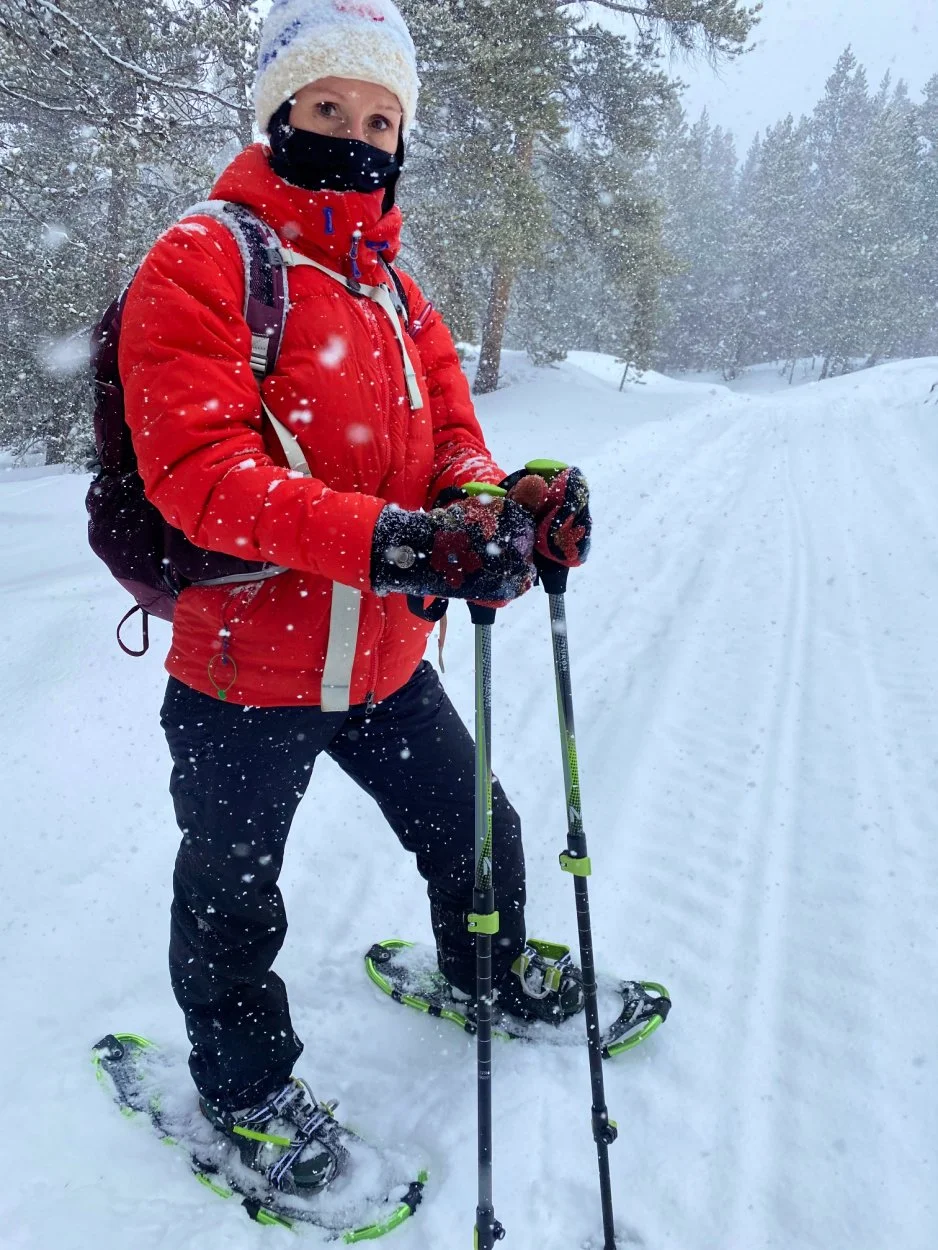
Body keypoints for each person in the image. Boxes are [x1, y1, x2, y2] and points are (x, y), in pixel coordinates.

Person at [118, 0, 593, 1194]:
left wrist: (502, 507)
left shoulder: (395, 290)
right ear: (278, 114)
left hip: (383, 663)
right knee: (232, 896)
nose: (357, 134)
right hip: (243, 672)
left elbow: (455, 446)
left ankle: (480, 972)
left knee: (481, 835)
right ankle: (242, 1092)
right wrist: (398, 544)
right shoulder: (203, 258)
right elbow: (200, 477)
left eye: (381, 118)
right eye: (328, 108)